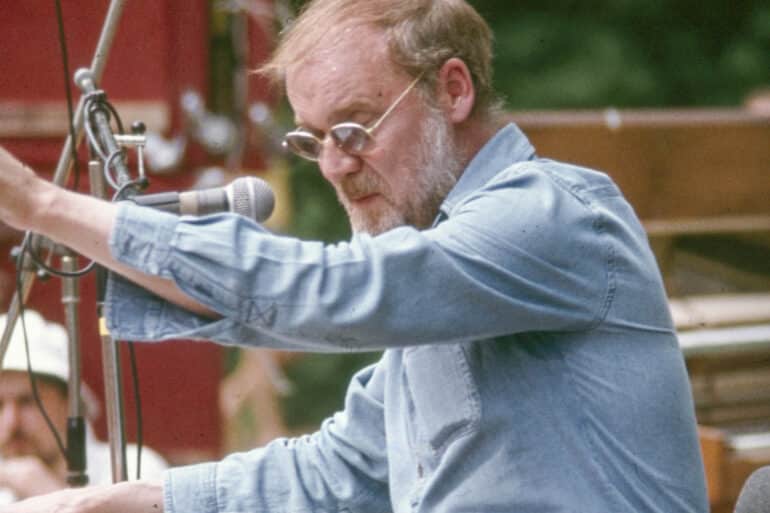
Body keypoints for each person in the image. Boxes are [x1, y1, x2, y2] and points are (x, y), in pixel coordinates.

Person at [0, 0, 709, 511]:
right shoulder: (437, 276)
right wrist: (128, 499)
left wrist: (41, 205)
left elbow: (336, 292)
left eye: (353, 128)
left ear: (453, 90)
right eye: (312, 141)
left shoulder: (550, 216)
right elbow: (338, 470)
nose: (334, 166)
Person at [0, 310, 168, 504]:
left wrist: (42, 489)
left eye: (28, 402)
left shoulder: (134, 471)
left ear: (70, 404)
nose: (11, 422)